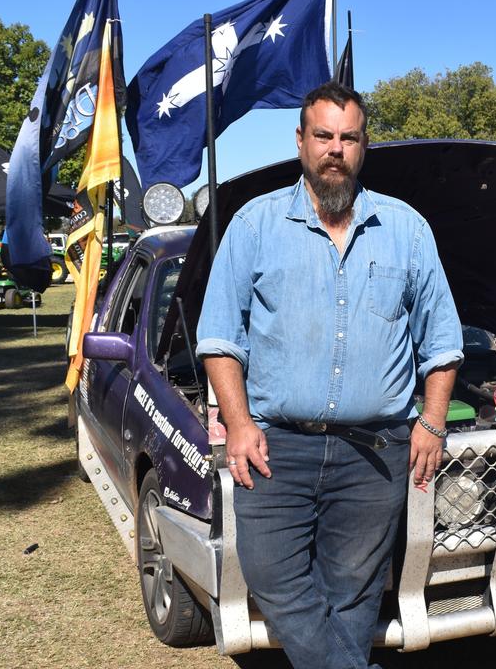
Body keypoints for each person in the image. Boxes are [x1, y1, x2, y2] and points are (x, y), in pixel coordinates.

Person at [196, 81, 464, 669]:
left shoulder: (407, 230)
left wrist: (435, 422)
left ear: (364, 146)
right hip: (275, 448)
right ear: (301, 141)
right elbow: (218, 339)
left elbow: (442, 343)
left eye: (348, 137)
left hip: (375, 453)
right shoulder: (253, 225)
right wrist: (238, 424)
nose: (335, 149)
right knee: (271, 577)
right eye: (323, 136)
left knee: (355, 594)